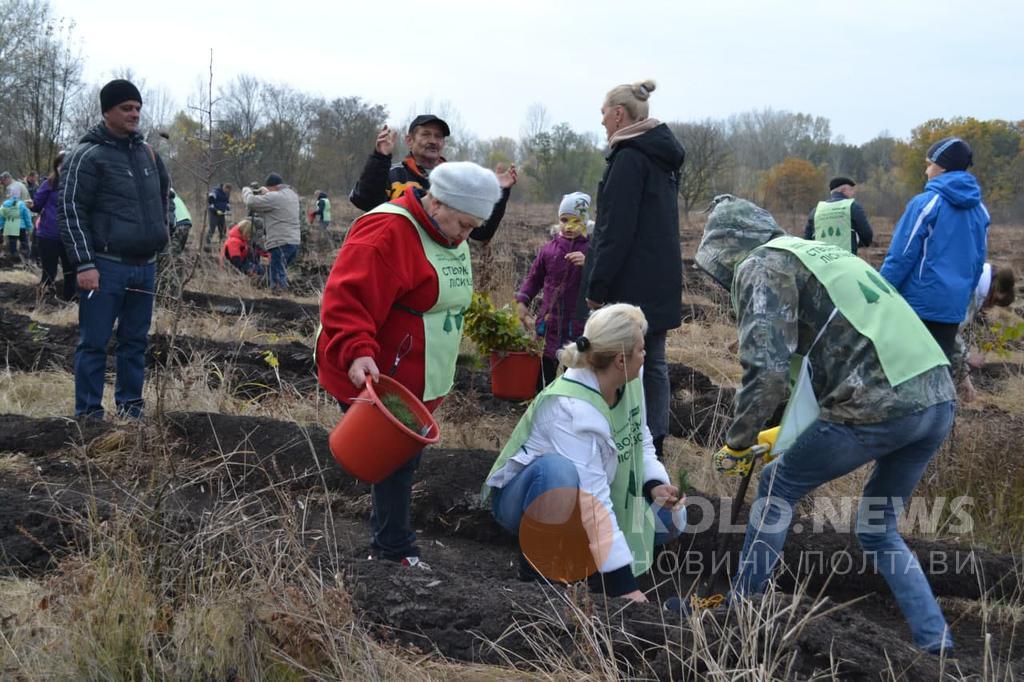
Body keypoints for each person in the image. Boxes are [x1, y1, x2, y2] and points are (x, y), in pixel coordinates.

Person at [694, 195, 956, 654]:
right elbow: (838, 355)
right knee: (877, 530)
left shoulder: (762, 265)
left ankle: (739, 614)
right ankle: (937, 644)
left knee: (777, 487)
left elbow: (769, 373)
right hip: (935, 400)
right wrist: (785, 433)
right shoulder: (817, 254)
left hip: (880, 405)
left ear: (727, 248)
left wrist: (737, 442)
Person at [317, 161, 502, 568]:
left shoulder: (447, 233)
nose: (466, 236)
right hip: (379, 371)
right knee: (394, 463)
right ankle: (393, 551)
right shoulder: (388, 231)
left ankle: (390, 541)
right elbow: (347, 299)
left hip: (420, 372)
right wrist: (357, 349)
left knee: (402, 462)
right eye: (464, 225)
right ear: (436, 202)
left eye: (473, 227)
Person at [484, 303, 685, 601]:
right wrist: (624, 587)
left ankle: (587, 558)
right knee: (557, 471)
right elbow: (594, 502)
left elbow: (638, 436)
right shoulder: (570, 408)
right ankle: (538, 568)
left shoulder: (629, 380)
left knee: (671, 520)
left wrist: (653, 485)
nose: (646, 355)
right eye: (642, 350)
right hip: (530, 499)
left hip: (587, 496)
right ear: (620, 360)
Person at [577, 79, 685, 462]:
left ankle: (623, 438)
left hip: (630, 284)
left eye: (604, 113)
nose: (602, 121)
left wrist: (597, 284)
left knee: (618, 359)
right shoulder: (661, 157)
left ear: (619, 114)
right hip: (660, 280)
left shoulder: (628, 158)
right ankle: (653, 443)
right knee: (653, 361)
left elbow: (614, 229)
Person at [58, 78, 170, 419]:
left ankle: (130, 409)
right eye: (126, 108)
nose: (134, 114)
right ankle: (89, 415)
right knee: (94, 343)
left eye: (137, 108)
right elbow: (71, 209)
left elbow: (165, 196)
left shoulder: (147, 153)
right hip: (105, 265)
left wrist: (161, 235)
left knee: (135, 342)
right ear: (107, 111)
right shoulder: (87, 155)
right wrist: (84, 264)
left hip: (144, 265)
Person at [880, 137, 988, 359]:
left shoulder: (926, 203)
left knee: (909, 370)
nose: (926, 171)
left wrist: (881, 294)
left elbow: (901, 257)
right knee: (940, 373)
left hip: (917, 307)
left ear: (943, 166)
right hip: (952, 308)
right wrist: (963, 298)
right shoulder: (980, 211)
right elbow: (978, 262)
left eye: (929, 164)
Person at [348, 114, 517, 242]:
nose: (433, 141)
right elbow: (364, 201)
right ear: (409, 140)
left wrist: (502, 191)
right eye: (426, 134)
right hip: (399, 259)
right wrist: (380, 157)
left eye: (438, 136)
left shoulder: (459, 182)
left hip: (440, 267)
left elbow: (482, 233)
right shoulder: (393, 174)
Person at [516, 192, 591, 387]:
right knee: (543, 371)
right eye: (564, 220)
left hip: (576, 324)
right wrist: (523, 301)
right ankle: (541, 404)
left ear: (585, 222)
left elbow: (603, 282)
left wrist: (589, 265)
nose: (568, 226)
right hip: (549, 323)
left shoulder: (592, 251)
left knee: (575, 372)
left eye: (575, 221)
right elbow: (534, 278)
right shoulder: (548, 250)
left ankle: (572, 406)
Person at [954, 263, 1015, 402]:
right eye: (994, 301)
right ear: (994, 288)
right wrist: (968, 356)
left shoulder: (974, 282)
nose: (990, 306)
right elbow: (949, 333)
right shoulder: (971, 293)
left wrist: (966, 383)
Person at [241, 173, 300, 292]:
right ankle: (282, 296)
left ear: (272, 187)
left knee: (277, 280)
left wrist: (246, 190)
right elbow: (275, 209)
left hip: (280, 242)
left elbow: (251, 202)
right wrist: (267, 193)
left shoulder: (275, 197)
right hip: (293, 241)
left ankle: (280, 300)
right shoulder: (292, 194)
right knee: (280, 272)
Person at [29, 152, 75, 299]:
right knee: (49, 271)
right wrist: (31, 205)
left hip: (70, 236)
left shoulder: (79, 184)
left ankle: (69, 301)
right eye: (61, 165)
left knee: (71, 271)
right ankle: (43, 302)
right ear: (57, 166)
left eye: (68, 164)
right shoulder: (49, 184)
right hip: (48, 234)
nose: (64, 167)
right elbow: (37, 205)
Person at [804, 176, 873, 254]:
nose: (853, 193)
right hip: (846, 259)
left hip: (822, 260)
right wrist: (857, 244)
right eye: (851, 190)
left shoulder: (816, 210)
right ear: (843, 190)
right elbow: (867, 235)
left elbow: (807, 240)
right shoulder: (852, 206)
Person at [1, 195, 32, 259]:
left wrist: (1, 226)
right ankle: (25, 256)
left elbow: (1, 216)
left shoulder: (4, 204)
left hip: (10, 226)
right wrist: (29, 227)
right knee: (24, 241)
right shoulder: (22, 204)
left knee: (12, 241)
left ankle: (14, 256)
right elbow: (27, 217)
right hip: (21, 226)